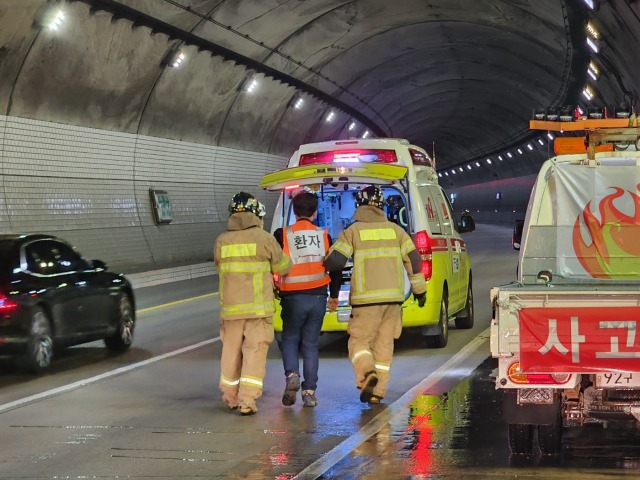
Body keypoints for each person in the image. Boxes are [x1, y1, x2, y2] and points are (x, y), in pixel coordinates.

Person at [324, 185, 426, 405]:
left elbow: (336, 262)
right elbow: (415, 261)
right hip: (393, 301)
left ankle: (367, 373)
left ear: (359, 205)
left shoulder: (352, 231)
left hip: (365, 302)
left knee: (358, 343)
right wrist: (419, 291)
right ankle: (377, 393)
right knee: (384, 346)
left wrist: (324, 259)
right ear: (382, 206)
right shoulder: (397, 231)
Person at [214, 191, 291, 416]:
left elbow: (220, 268)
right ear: (256, 213)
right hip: (258, 308)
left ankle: (230, 395)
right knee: (254, 352)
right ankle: (247, 400)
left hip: (231, 309)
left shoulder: (221, 241)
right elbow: (283, 266)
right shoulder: (264, 238)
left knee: (230, 351)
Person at [274, 191, 342, 408]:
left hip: (292, 296)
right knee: (311, 344)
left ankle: (292, 374)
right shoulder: (324, 235)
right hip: (318, 295)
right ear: (315, 212)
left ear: (294, 211)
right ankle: (309, 392)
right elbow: (335, 267)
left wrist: (274, 286)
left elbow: (273, 264)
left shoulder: (282, 234)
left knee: (291, 339)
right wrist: (334, 295)